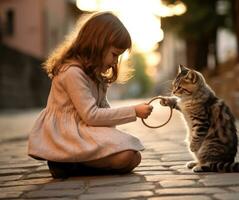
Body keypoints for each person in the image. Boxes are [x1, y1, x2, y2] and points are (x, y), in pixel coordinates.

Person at [27, 12, 153, 178]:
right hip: (68, 137)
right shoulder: (72, 72)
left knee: (132, 157)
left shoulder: (95, 75)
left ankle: (72, 163)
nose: (115, 62)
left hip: (85, 132)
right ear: (97, 45)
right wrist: (133, 111)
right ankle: (66, 160)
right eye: (114, 54)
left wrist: (111, 138)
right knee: (127, 156)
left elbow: (104, 114)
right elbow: (91, 116)